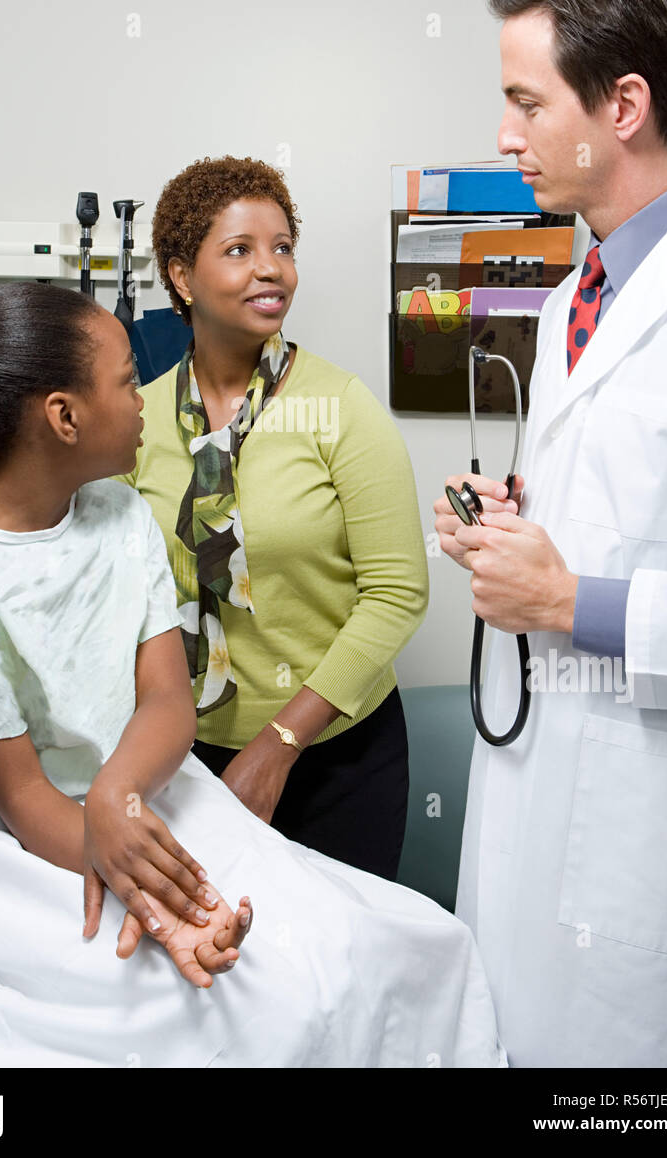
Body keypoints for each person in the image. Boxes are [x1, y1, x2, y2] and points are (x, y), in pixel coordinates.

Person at [0, 281, 504, 1068]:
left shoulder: (119, 516)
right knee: (197, 1009)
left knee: (389, 946)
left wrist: (116, 793)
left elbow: (167, 699)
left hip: (137, 782)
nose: (144, 402)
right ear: (64, 417)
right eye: (128, 382)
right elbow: (21, 798)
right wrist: (166, 903)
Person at [433, 0, 667, 1068]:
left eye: (523, 102)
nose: (504, 136)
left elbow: (592, 582)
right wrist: (509, 518)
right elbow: (622, 507)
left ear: (623, 105)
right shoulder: (574, 300)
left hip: (653, 844)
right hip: (530, 807)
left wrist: (568, 601)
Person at [114, 155, 428, 881]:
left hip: (335, 757)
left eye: (283, 247)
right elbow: (123, 591)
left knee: (338, 969)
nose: (272, 269)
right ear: (182, 277)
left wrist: (280, 742)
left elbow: (398, 592)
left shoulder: (340, 408)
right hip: (183, 756)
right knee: (214, 970)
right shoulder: (140, 419)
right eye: (240, 250)